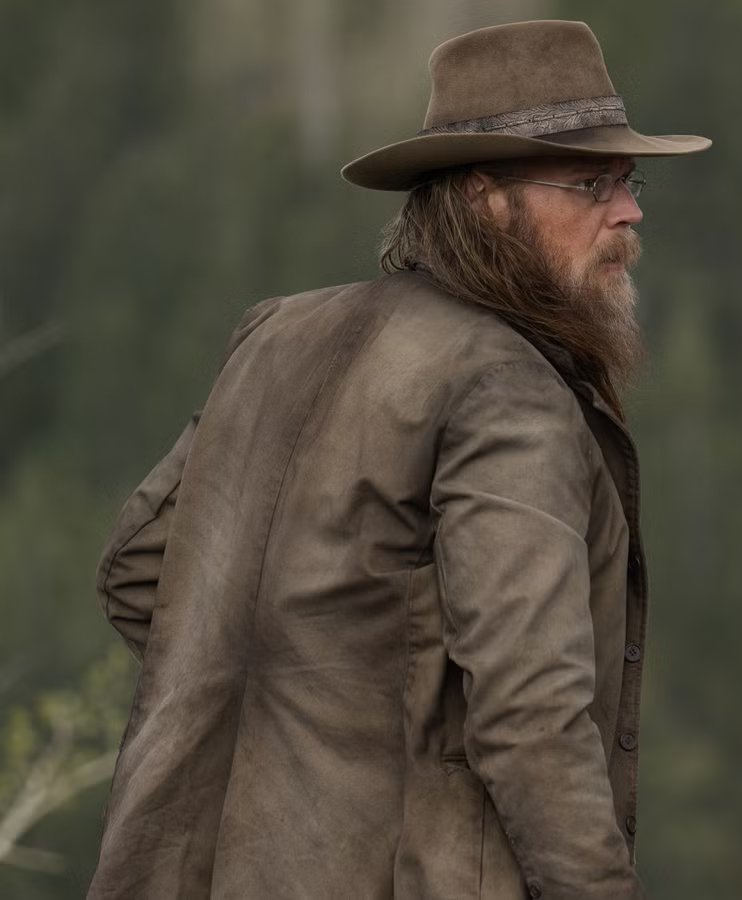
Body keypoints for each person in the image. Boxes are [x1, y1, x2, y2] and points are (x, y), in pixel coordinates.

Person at [89, 20, 708, 899]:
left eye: (626, 180)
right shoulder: (508, 384)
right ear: (487, 200)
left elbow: (138, 570)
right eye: (590, 184)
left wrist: (301, 701)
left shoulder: (278, 334)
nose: (630, 211)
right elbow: (529, 709)